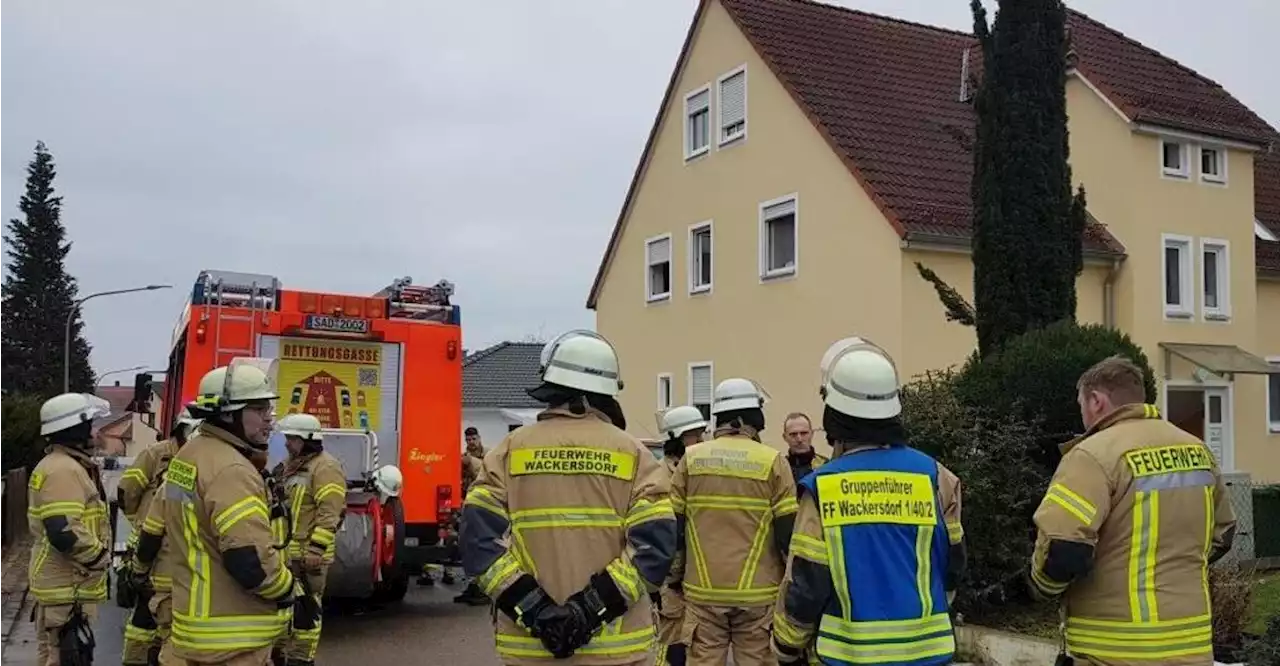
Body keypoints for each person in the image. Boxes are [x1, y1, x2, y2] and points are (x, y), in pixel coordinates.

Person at [460, 329, 676, 665]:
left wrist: (535, 610)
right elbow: (654, 549)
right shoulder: (634, 455)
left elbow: (479, 544)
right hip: (615, 647)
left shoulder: (508, 451)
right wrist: (588, 610)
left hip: (530, 648)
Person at [1028, 355, 1237, 665]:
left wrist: (1040, 589)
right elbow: (1224, 533)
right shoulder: (1197, 449)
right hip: (1191, 645)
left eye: (1081, 404)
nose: (1082, 414)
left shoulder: (1092, 455)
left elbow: (1063, 548)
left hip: (1116, 649)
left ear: (1096, 401)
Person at [773, 337, 966, 666]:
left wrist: (786, 647)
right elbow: (954, 564)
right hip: (928, 653)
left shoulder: (822, 487)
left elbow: (808, 583)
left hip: (848, 655)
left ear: (834, 415)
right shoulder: (937, 476)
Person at [164, 360, 305, 665]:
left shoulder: (190, 454)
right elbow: (250, 563)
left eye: (269, 409)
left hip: (196, 627)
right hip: (232, 638)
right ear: (228, 413)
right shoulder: (231, 470)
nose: (270, 420)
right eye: (258, 410)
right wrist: (291, 589)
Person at [671, 378, 797, 666]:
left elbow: (674, 528)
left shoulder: (690, 460)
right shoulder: (773, 461)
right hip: (759, 596)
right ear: (748, 417)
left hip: (702, 593)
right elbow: (787, 535)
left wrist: (675, 578)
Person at [28, 393, 114, 666]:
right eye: (91, 424)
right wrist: (100, 557)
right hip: (66, 589)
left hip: (67, 589)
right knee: (61, 659)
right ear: (75, 429)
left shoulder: (65, 466)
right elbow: (63, 530)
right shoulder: (63, 470)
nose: (97, 431)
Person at [119, 408, 200, 666]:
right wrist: (139, 521)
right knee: (143, 616)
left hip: (180, 554)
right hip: (150, 546)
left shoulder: (200, 461)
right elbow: (127, 492)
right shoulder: (156, 454)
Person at [268, 413, 347, 666]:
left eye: (292, 438)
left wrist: (316, 550)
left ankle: (302, 660)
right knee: (283, 611)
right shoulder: (288, 466)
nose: (288, 443)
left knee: (307, 611)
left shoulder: (326, 468)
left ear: (308, 440)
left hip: (309, 557)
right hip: (285, 553)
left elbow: (330, 513)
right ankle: (281, 655)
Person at [653, 405, 707, 666]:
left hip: (696, 575)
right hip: (670, 579)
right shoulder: (658, 477)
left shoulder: (697, 471)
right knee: (672, 643)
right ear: (675, 438)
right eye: (694, 435)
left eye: (701, 434)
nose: (700, 441)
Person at [452, 427, 488, 605]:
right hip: (469, 505)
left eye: (474, 438)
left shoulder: (489, 456)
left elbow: (485, 473)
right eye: (468, 440)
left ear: (479, 438)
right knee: (468, 546)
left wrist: (469, 462)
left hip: (485, 507)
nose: (471, 442)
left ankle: (482, 590)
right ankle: (472, 587)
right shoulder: (464, 457)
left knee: (480, 546)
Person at [782, 412, 828, 488]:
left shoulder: (825, 466)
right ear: (785, 437)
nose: (799, 439)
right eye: (793, 434)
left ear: (812, 434)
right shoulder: (780, 468)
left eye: (804, 433)